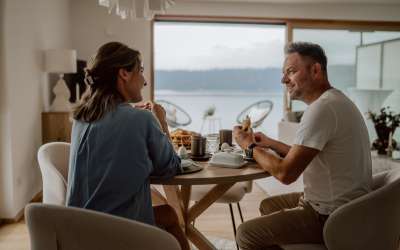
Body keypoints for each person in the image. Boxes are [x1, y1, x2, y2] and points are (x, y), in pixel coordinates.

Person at [233, 42, 372, 250]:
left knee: (246, 234)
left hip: (332, 217)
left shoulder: (322, 109)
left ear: (315, 70)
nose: (283, 80)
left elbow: (285, 173)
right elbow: (309, 157)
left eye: (290, 71)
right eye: (283, 73)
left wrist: (249, 146)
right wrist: (270, 143)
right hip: (348, 207)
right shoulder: (335, 101)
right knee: (268, 205)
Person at [66, 41, 189, 250]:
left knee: (167, 213)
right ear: (124, 74)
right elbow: (170, 168)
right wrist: (161, 123)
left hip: (79, 229)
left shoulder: (81, 118)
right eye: (140, 71)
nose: (144, 81)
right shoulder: (142, 120)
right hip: (119, 234)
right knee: (170, 214)